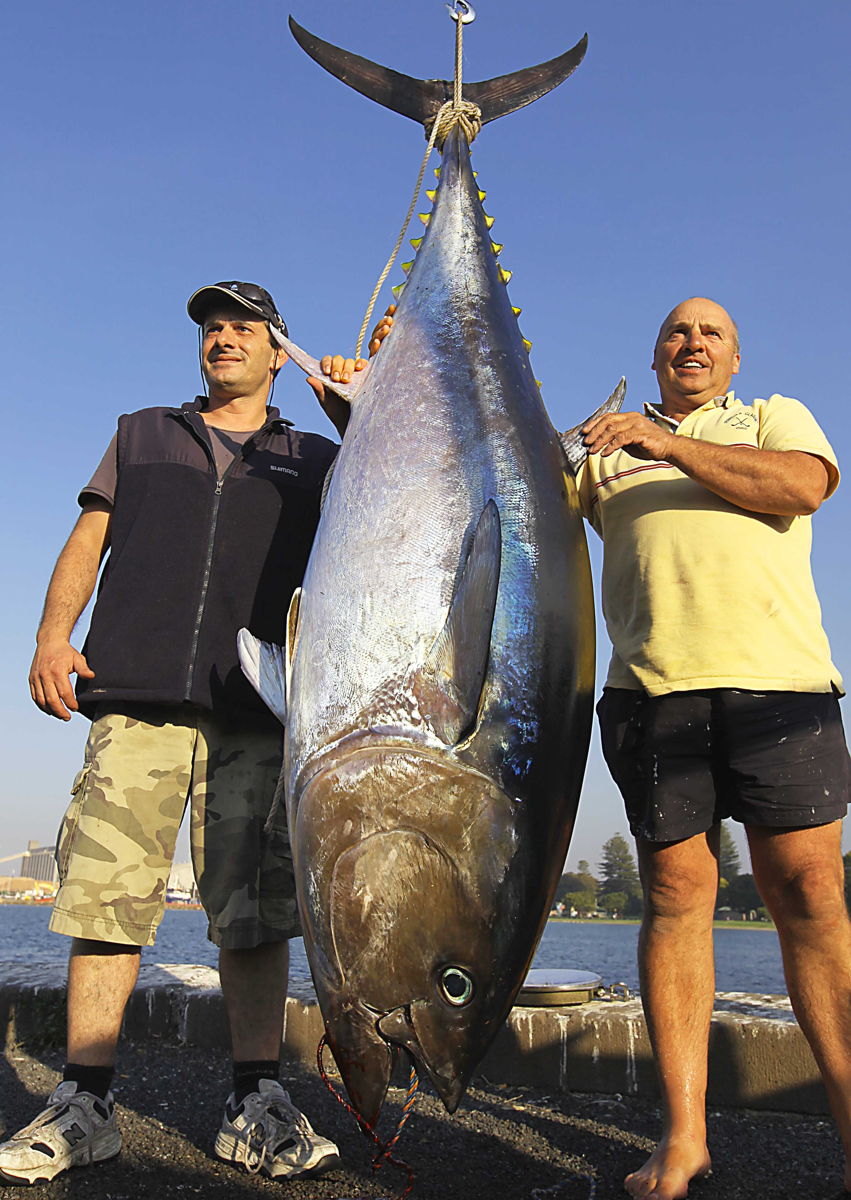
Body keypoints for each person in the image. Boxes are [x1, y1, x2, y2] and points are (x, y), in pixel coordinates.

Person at [1, 281, 392, 1186]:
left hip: (259, 712)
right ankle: (83, 1101)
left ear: (277, 351)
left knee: (255, 917)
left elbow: (395, 500)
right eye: (212, 328)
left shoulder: (317, 456)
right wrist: (52, 635)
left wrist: (356, 411)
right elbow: (87, 536)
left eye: (242, 328)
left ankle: (255, 1101)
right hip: (134, 700)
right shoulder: (141, 432)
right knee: (105, 904)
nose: (222, 339)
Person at [576, 297, 851, 1200]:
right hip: (651, 694)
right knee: (674, 895)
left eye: (711, 333)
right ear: (652, 356)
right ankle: (684, 1136)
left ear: (733, 359)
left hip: (781, 687)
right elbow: (488, 473)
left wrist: (669, 446)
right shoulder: (599, 443)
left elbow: (803, 487)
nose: (692, 342)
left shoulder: (771, 418)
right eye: (675, 332)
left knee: (810, 891)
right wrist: (366, 393)